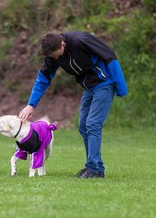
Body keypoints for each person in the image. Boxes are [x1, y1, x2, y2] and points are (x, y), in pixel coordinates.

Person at [19, 31, 128, 178]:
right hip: (89, 88)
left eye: (56, 54)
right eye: (52, 56)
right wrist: (31, 104)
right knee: (83, 126)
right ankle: (97, 168)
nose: (55, 58)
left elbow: (110, 57)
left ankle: (93, 168)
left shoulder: (81, 41)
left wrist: (121, 87)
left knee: (93, 124)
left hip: (105, 83)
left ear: (62, 44)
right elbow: (43, 78)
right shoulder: (53, 54)